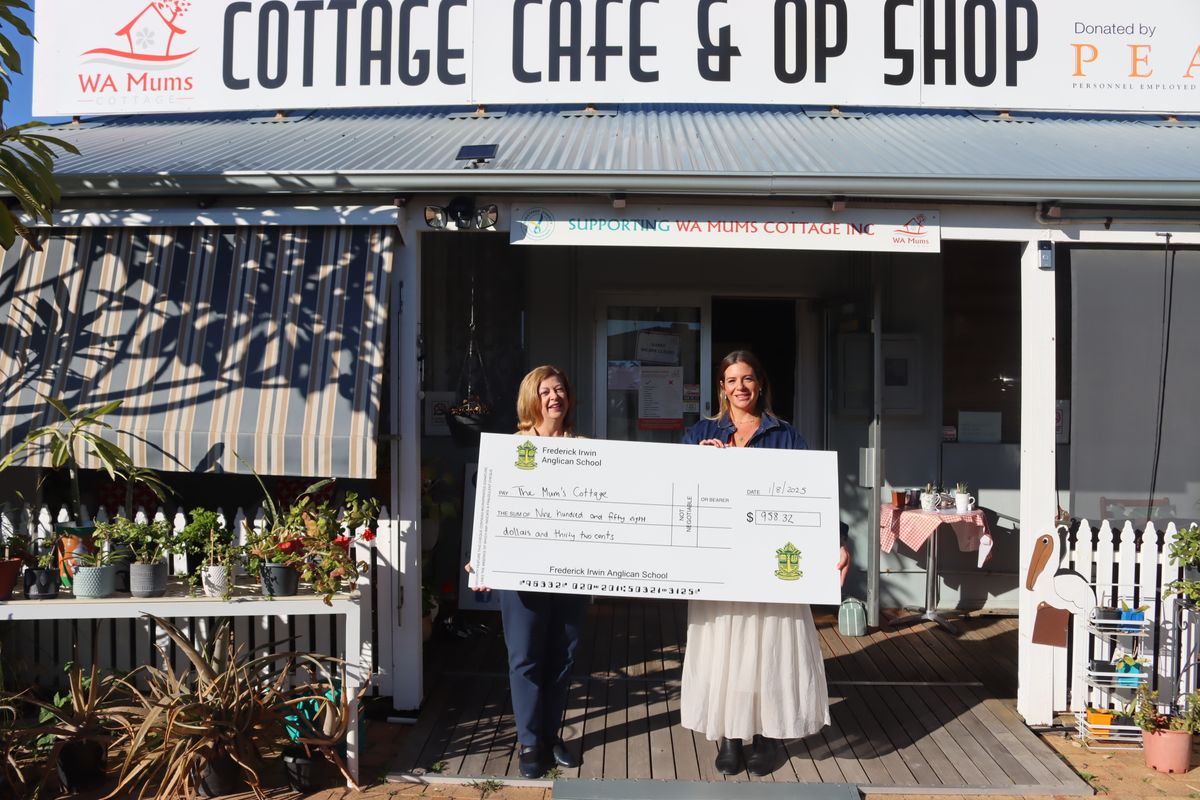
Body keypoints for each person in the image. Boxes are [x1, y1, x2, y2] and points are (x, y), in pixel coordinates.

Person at [680, 350, 849, 777]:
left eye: (748, 379)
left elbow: (814, 496)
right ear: (722, 388)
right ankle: (729, 735)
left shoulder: (786, 436)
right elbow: (677, 489)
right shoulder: (700, 433)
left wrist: (838, 541)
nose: (740, 387)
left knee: (770, 649)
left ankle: (768, 736)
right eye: (732, 380)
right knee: (725, 648)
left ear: (760, 384)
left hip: (772, 567)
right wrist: (698, 461)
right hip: (721, 566)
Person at [465, 365, 589, 778]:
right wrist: (482, 557)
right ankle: (530, 742)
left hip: (572, 571)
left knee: (563, 656)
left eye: (560, 389)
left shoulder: (586, 450)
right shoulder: (511, 449)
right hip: (521, 574)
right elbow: (491, 508)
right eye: (545, 391)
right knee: (525, 658)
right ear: (531, 400)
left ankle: (551, 736)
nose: (554, 397)